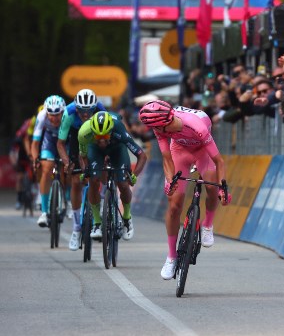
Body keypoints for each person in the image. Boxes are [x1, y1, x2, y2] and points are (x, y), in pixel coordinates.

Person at [138, 100, 231, 280]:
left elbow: (219, 161)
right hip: (179, 151)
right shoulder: (159, 126)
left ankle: (207, 225)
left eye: (161, 129)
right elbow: (167, 158)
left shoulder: (196, 125)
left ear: (168, 121)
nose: (160, 133)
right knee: (174, 205)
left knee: (211, 187)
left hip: (202, 150)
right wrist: (169, 180)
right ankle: (171, 256)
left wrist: (223, 188)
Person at [77, 111, 147, 243]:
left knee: (123, 184)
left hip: (117, 148)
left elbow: (141, 155)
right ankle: (97, 223)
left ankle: (126, 218)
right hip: (94, 149)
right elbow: (83, 155)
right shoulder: (84, 132)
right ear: (93, 132)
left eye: (105, 136)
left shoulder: (119, 129)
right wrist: (85, 170)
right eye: (98, 137)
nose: (102, 141)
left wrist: (134, 175)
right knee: (94, 180)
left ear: (111, 131)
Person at [57, 88, 107, 250]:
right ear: (76, 108)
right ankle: (77, 227)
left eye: (89, 111)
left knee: (100, 171)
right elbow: (60, 143)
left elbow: (107, 135)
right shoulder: (69, 113)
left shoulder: (100, 110)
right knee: (76, 181)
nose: (85, 115)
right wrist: (66, 162)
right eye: (82, 111)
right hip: (75, 137)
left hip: (95, 135)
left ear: (95, 108)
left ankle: (103, 196)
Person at [31, 95, 66, 227]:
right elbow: (35, 143)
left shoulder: (68, 116)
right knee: (46, 168)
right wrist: (35, 159)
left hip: (65, 141)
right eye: (51, 114)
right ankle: (44, 212)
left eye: (57, 114)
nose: (54, 118)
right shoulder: (41, 116)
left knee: (67, 168)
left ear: (62, 112)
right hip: (50, 140)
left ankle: (66, 199)